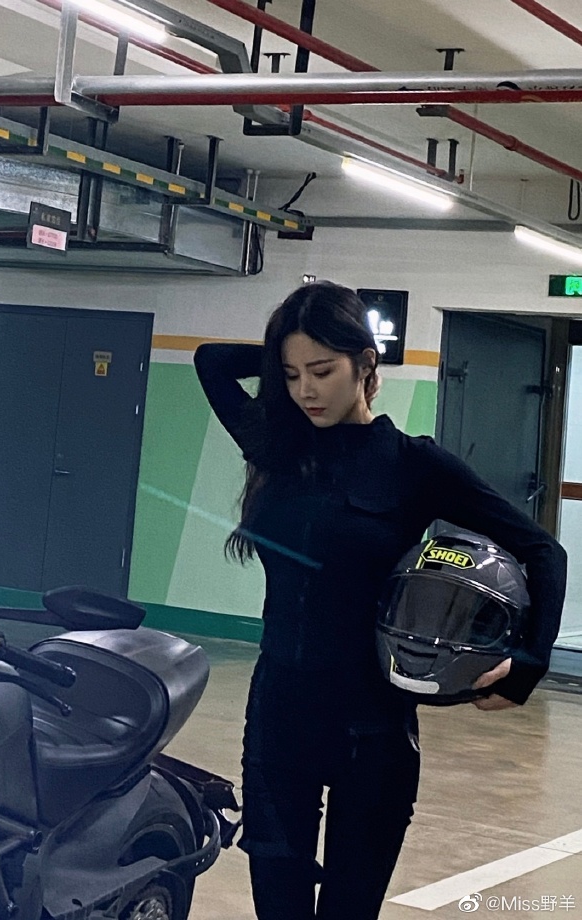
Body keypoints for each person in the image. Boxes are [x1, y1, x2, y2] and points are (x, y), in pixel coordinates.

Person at [193, 280, 567, 920]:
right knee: (277, 906)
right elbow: (211, 362)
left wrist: (529, 664)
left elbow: (543, 551)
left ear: (366, 364)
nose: (305, 391)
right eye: (291, 375)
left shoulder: (411, 465)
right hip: (280, 715)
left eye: (322, 370)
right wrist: (288, 349)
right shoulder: (277, 445)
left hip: (374, 727)